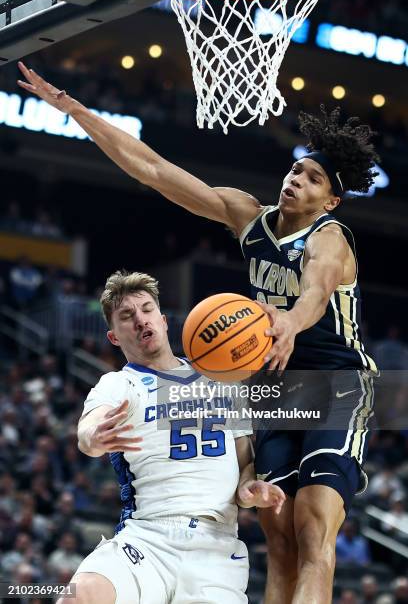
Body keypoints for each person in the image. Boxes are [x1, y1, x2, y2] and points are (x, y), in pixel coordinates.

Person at [18, 64, 378, 603]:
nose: (296, 179)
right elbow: (155, 170)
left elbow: (316, 291)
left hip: (335, 383)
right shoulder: (248, 217)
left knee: (312, 522)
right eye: (297, 169)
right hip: (275, 389)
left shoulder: (331, 238)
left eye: (312, 179)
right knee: (277, 537)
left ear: (329, 201)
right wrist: (77, 112)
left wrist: (289, 322)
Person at [61, 270, 285, 604]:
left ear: (163, 321)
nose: (140, 320)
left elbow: (244, 466)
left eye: (146, 309)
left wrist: (249, 489)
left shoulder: (225, 381)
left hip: (216, 545)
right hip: (148, 537)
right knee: (80, 597)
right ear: (114, 338)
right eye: (127, 316)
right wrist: (94, 436)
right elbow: (87, 432)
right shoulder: (118, 384)